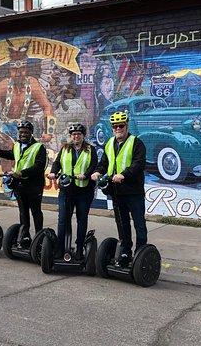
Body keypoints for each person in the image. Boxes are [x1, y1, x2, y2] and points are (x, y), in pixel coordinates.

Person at [91, 111, 147, 265]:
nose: (118, 129)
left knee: (139, 223)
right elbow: (104, 163)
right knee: (122, 224)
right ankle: (125, 251)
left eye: (121, 125)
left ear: (126, 125)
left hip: (133, 191)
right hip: (116, 192)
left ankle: (140, 254)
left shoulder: (136, 143)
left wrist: (123, 174)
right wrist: (97, 171)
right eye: (115, 126)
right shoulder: (109, 143)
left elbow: (139, 164)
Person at [0, 120, 46, 247]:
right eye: (21, 132)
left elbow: (39, 166)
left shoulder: (39, 147)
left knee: (36, 212)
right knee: (23, 212)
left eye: (26, 132)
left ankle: (39, 238)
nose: (23, 134)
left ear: (31, 133)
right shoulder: (17, 145)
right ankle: (25, 236)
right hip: (19, 184)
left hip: (34, 185)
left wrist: (21, 173)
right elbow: (11, 155)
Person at [48, 123, 97, 260]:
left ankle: (80, 248)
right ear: (70, 136)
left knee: (82, 219)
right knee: (63, 219)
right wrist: (53, 172)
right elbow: (57, 163)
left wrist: (86, 174)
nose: (76, 136)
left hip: (84, 190)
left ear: (83, 136)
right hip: (66, 189)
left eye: (79, 134)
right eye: (74, 134)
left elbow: (93, 165)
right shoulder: (65, 149)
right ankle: (60, 248)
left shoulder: (90, 149)